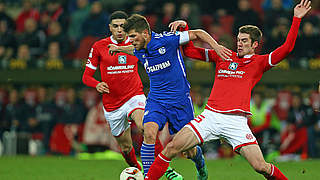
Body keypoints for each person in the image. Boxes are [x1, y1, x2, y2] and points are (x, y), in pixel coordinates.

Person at [145, 0, 311, 179]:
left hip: (236, 123)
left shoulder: (259, 63)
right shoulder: (224, 55)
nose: (239, 44)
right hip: (210, 116)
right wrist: (185, 27)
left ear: (255, 44)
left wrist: (296, 19)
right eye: (238, 40)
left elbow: (287, 49)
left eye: (245, 41)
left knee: (261, 166)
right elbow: (190, 52)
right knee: (171, 148)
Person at [108, 13, 231, 180]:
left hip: (179, 101)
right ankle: (148, 176)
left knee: (189, 150)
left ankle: (200, 163)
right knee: (149, 132)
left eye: (133, 36)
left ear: (145, 33)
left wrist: (216, 47)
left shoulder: (167, 40)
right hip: (156, 100)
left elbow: (198, 33)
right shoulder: (138, 48)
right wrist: (119, 48)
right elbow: (132, 49)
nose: (131, 41)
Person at [82, 11, 183, 180]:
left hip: (134, 96)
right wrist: (97, 84)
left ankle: (164, 169)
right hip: (112, 104)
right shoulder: (99, 46)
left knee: (147, 128)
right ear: (110, 28)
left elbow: (158, 44)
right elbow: (86, 76)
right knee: (126, 147)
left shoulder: (136, 42)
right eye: (116, 26)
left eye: (123, 26)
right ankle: (137, 170)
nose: (120, 30)